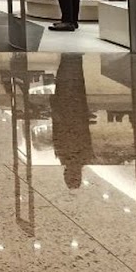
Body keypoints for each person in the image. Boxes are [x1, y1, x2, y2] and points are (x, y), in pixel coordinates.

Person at [50, 54, 95, 189]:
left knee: (72, 82)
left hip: (73, 111)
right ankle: (71, 58)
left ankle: (71, 58)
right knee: (70, 82)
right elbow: (57, 131)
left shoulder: (83, 156)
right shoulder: (65, 155)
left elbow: (58, 131)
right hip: (69, 111)